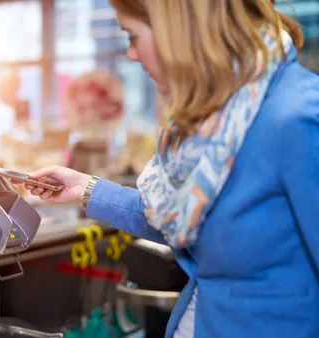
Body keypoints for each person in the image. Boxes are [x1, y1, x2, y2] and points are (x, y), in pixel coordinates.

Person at [19, 1, 319, 337]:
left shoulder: (298, 116)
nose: (130, 55)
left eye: (132, 37)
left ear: (177, 30)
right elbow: (178, 216)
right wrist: (86, 188)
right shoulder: (216, 117)